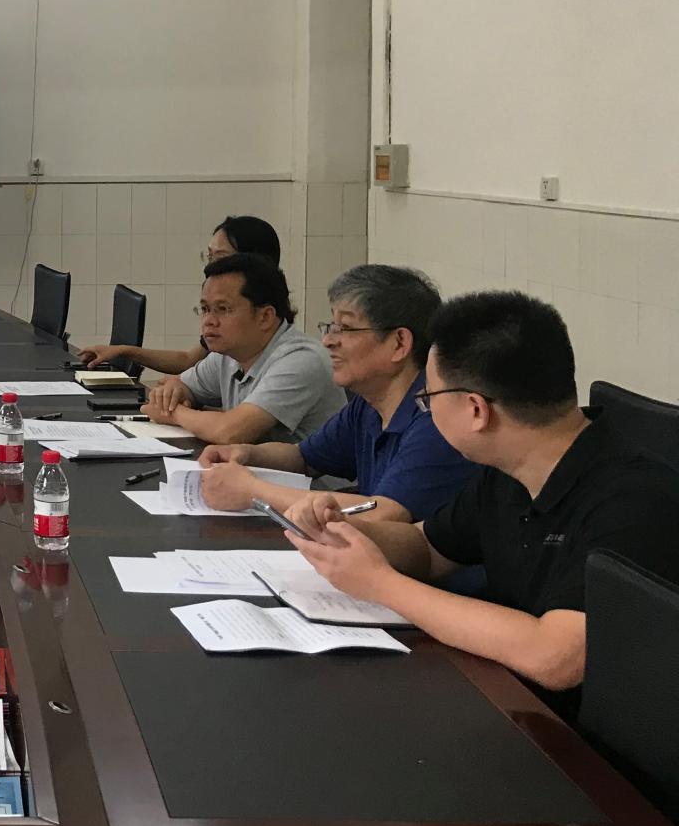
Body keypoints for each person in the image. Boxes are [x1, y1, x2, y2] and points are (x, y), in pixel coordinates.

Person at [282, 291, 679, 718]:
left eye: (429, 399)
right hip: (507, 699)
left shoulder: (635, 500)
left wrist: (379, 583)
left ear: (476, 410)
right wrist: (346, 531)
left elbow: (556, 657)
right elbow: (429, 549)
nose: (427, 410)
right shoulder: (509, 470)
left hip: (578, 744)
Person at [199, 264, 473, 523]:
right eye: (330, 326)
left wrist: (252, 491)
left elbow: (384, 513)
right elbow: (304, 458)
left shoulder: (436, 417)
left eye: (346, 328)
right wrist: (246, 453)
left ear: (399, 343)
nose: (328, 340)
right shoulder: (368, 404)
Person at [141, 252, 343, 445]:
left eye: (223, 309)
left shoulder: (301, 360)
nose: (209, 321)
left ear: (265, 317)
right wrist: (172, 394)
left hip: (303, 472)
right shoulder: (230, 353)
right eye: (205, 309)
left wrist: (174, 413)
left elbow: (230, 432)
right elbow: (181, 386)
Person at [81, 214, 283, 373]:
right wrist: (124, 351)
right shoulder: (224, 353)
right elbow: (188, 363)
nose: (210, 267)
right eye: (209, 256)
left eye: (221, 258)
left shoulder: (282, 358)